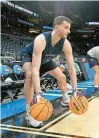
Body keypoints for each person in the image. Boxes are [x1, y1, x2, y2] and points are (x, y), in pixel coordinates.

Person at [21, 16, 78, 128]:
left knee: (62, 77)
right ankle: (29, 114)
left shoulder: (66, 44)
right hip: (29, 57)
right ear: (56, 27)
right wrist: (39, 94)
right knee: (30, 76)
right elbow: (35, 69)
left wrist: (75, 91)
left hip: (46, 60)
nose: (69, 31)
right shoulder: (41, 40)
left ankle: (65, 99)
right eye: (66, 28)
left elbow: (71, 69)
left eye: (69, 28)